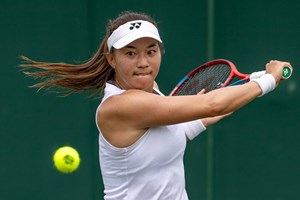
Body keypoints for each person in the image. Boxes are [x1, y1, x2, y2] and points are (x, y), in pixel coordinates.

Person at [20, 11, 292, 200]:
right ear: (111, 59)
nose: (143, 62)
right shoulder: (122, 105)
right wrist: (268, 79)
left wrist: (252, 88)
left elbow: (191, 124)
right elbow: (212, 105)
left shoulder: (151, 93)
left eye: (151, 51)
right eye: (130, 53)